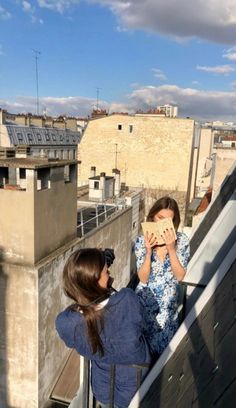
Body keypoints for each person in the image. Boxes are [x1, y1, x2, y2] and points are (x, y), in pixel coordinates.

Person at [55, 248, 151, 408]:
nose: (109, 271)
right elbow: (141, 324)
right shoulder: (127, 300)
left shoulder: (67, 323)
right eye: (106, 270)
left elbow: (87, 313)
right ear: (96, 280)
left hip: (103, 389)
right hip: (136, 385)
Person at [135, 196, 190, 358]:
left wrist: (171, 249)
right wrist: (148, 251)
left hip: (167, 313)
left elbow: (180, 276)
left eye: (169, 221)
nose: (163, 224)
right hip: (144, 309)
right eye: (160, 218)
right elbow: (143, 278)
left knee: (163, 362)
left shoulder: (182, 241)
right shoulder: (141, 241)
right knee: (143, 362)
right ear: (152, 216)